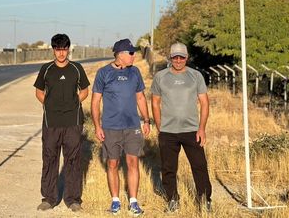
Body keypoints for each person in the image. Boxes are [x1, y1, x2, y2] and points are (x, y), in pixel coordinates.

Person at [91, 39, 150, 216]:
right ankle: (115, 200)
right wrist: (97, 126)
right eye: (131, 53)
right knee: (113, 163)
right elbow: (95, 101)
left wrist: (146, 120)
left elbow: (140, 98)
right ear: (120, 55)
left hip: (132, 126)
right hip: (110, 127)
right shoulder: (103, 73)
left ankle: (133, 202)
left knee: (133, 162)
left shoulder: (135, 72)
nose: (134, 56)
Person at [151, 42, 212, 213]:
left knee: (199, 166)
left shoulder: (196, 76)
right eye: (175, 57)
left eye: (182, 57)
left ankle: (205, 200)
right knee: (168, 168)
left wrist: (202, 128)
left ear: (187, 58)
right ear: (170, 58)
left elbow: (204, 103)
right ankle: (172, 199)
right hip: (168, 131)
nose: (178, 60)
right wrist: (159, 126)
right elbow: (155, 102)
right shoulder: (161, 76)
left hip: (192, 130)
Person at [34, 34, 90, 212]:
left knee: (73, 160)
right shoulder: (46, 69)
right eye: (58, 49)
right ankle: (49, 198)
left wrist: (74, 104)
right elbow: (39, 92)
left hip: (73, 122)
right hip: (51, 122)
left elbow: (85, 90)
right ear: (53, 50)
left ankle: (73, 199)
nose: (61, 53)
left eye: (64, 49)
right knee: (49, 159)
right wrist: (50, 106)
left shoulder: (76, 68)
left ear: (68, 49)